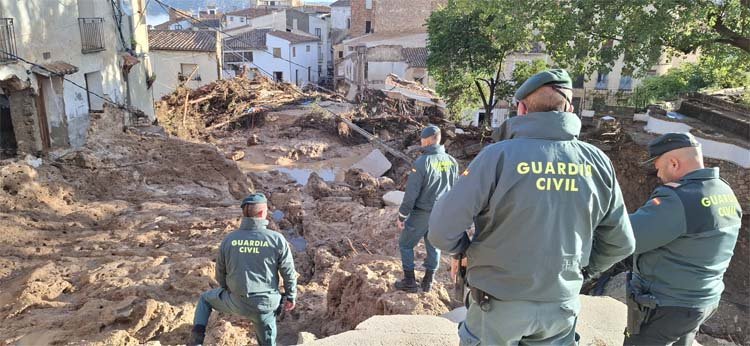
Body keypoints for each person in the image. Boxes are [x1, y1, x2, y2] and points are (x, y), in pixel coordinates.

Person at [428, 69, 635, 345]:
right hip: (560, 306)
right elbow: (621, 242)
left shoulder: (496, 156)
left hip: (497, 304)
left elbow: (442, 230)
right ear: (570, 109)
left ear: (522, 109)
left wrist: (464, 252)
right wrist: (580, 271)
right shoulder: (597, 162)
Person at [624, 133, 742, 346]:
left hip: (668, 304)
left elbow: (628, 237)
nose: (658, 174)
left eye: (658, 167)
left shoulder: (678, 198)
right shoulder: (725, 191)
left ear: (674, 163)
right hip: (701, 301)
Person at [189, 193, 297, 346]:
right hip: (265, 305)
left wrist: (227, 290)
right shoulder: (276, 239)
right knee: (267, 341)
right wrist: (291, 296)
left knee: (205, 299)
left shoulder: (230, 239)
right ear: (261, 213)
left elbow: (220, 272)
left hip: (236, 301)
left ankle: (196, 341)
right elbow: (288, 272)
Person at [394, 125, 459, 293]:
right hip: (441, 213)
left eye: (422, 139)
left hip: (422, 213)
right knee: (434, 245)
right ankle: (428, 281)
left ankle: (409, 281)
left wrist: (402, 216)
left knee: (405, 244)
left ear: (429, 140)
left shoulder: (422, 162)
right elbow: (456, 190)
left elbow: (411, 194)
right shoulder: (452, 162)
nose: (420, 142)